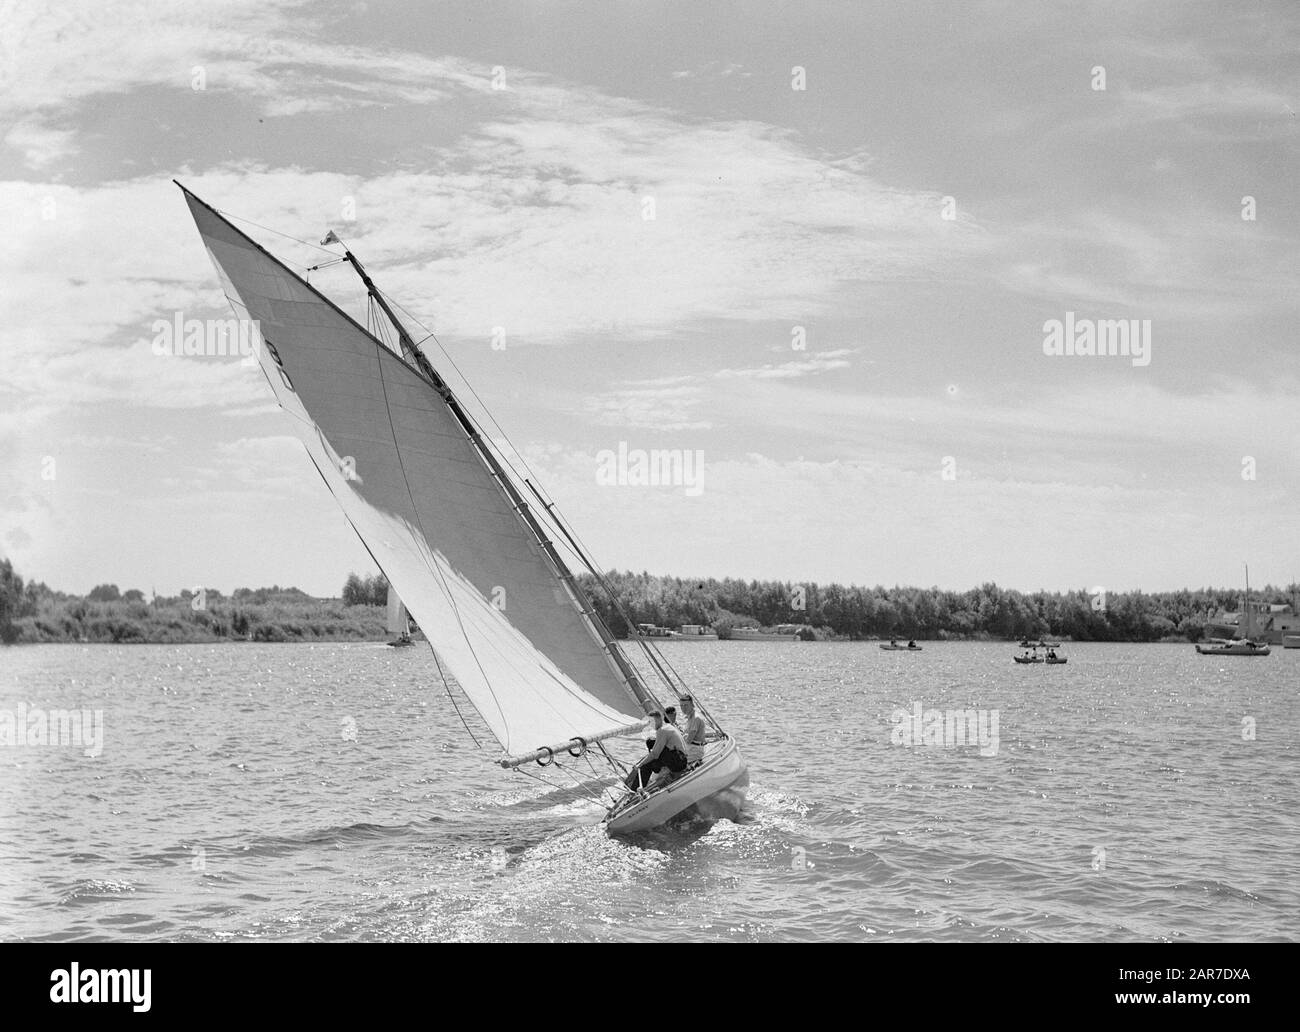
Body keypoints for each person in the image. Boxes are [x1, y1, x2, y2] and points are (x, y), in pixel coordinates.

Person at [624, 711, 687, 792]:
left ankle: (634, 791)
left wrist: (640, 764)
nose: (650, 725)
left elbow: (655, 754)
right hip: (682, 760)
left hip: (678, 763)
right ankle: (653, 773)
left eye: (651, 722)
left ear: (657, 720)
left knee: (645, 765)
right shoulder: (668, 726)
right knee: (651, 743)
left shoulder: (662, 730)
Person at [681, 695, 707, 765]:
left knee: (674, 763)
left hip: (695, 750)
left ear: (692, 705)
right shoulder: (689, 717)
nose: (683, 708)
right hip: (690, 748)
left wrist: (683, 737)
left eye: (686, 705)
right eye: (681, 706)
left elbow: (689, 740)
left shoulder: (695, 718)